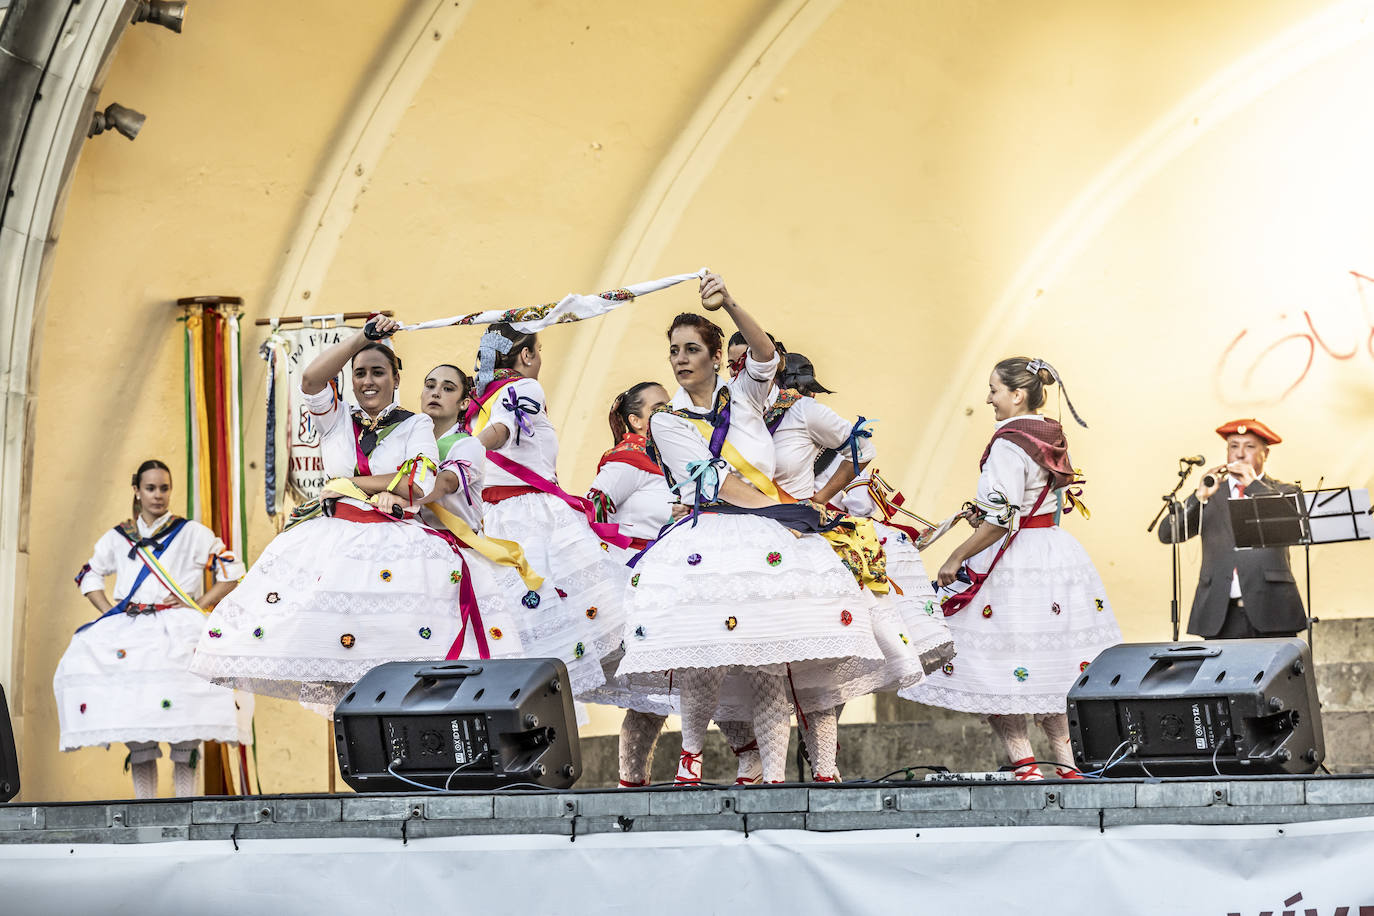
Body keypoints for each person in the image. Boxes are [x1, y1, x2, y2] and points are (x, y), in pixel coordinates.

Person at [617, 274, 888, 785]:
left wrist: (731, 304)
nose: (680, 358)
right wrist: (784, 508)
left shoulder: (742, 393)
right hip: (716, 535)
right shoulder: (667, 420)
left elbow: (765, 356)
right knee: (705, 659)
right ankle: (691, 760)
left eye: (692, 348)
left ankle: (775, 777)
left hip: (767, 533)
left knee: (774, 662)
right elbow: (712, 480)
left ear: (716, 357)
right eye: (673, 350)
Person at [189, 317, 460, 712]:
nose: (368, 381)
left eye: (379, 373)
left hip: (392, 545)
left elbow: (418, 482)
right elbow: (312, 379)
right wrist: (362, 338)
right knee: (335, 671)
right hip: (332, 542)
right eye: (360, 373)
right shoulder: (336, 419)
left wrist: (349, 485)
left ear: (396, 378)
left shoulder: (415, 423)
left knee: (389, 665)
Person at [903, 357, 1121, 780]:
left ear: (1016, 394)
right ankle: (1066, 763)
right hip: (1053, 556)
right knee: (1046, 662)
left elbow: (1001, 518)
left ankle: (1024, 764)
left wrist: (956, 556)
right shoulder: (1052, 435)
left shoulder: (1007, 443)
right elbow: (1040, 503)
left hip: (1012, 559)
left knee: (992, 662)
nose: (989, 398)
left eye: (994, 390)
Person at [54, 459, 248, 798]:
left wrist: (198, 603)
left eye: (164, 488)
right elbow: (89, 575)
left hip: (180, 633)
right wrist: (110, 612)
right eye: (150, 488)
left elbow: (231, 570)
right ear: (137, 491)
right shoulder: (118, 537)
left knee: (185, 721)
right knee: (138, 719)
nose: (158, 495)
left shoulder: (191, 533)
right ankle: (146, 809)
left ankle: (186, 807)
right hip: (132, 635)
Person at [464, 323, 630, 699]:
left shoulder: (475, 404)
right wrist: (468, 451)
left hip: (492, 521)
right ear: (526, 355)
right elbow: (504, 429)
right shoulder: (525, 386)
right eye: (537, 351)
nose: (538, 361)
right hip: (528, 517)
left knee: (523, 627)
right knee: (545, 624)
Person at [582, 382, 681, 786]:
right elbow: (592, 508)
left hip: (671, 578)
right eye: (659, 408)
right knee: (651, 687)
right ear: (635, 421)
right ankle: (630, 783)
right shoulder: (631, 458)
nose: (670, 413)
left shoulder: (676, 458)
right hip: (634, 579)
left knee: (671, 685)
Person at [1156, 418, 1306, 639]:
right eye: (1233, 446)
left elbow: (1295, 527)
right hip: (1219, 613)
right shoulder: (1211, 493)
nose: (1240, 454)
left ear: (1266, 453)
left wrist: (1253, 485)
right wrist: (1199, 498)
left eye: (1250, 447)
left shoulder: (1284, 490)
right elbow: (1167, 535)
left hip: (1272, 609)